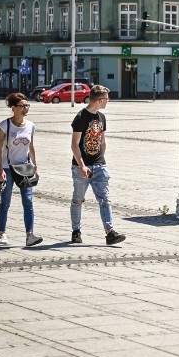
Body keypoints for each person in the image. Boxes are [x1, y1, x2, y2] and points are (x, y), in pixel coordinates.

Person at [69, 85, 126, 245]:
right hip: (82, 167)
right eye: (107, 99)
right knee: (78, 200)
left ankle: (110, 233)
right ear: (100, 100)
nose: (108, 101)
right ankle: (76, 231)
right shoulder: (81, 117)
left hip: (99, 165)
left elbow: (103, 140)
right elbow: (74, 144)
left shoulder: (102, 117)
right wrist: (81, 165)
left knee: (105, 199)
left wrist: (101, 160)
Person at [0, 93, 42, 247]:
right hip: (7, 168)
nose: (25, 108)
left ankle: (30, 235)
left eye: (27, 105)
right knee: (5, 203)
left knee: (28, 202)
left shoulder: (30, 126)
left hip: (25, 168)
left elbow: (31, 147)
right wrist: (0, 169)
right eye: (22, 106)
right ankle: (2, 233)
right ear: (13, 108)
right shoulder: (4, 126)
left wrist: (35, 166)